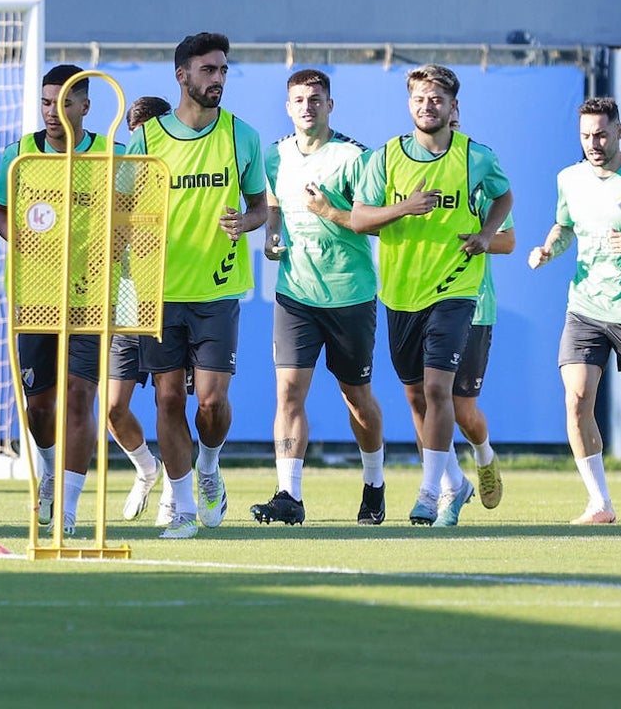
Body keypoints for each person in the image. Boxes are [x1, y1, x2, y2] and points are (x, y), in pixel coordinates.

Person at [350, 64, 512, 526]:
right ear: (409, 104)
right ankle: (454, 485)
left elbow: (504, 198)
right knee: (417, 397)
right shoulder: (383, 158)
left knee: (442, 391)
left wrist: (486, 234)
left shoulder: (474, 156)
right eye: (420, 98)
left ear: (452, 106)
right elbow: (360, 220)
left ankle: (427, 495)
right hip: (402, 293)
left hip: (458, 290)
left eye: (436, 99)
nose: (428, 106)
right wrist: (406, 207)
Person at [126, 32, 268, 539]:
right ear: (182, 76)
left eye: (224, 70)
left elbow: (260, 207)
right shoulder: (147, 139)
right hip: (159, 291)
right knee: (167, 399)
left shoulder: (241, 136)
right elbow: (122, 210)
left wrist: (246, 223)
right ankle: (182, 508)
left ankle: (208, 465)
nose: (218, 79)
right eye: (208, 70)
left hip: (217, 288)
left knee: (209, 401)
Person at [0, 64, 129, 536]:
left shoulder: (113, 155)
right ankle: (50, 470)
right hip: (34, 296)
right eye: (47, 102)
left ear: (86, 107)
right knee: (41, 407)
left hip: (91, 297)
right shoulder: (22, 153)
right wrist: (25, 243)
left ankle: (68, 510)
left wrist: (114, 248)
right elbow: (2, 213)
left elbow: (132, 220)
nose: (54, 111)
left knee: (80, 395)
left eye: (66, 101)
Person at [247, 69, 386, 526]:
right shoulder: (274, 156)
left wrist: (331, 211)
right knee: (287, 392)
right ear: (288, 107)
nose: (307, 106)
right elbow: (271, 204)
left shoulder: (354, 157)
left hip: (350, 293)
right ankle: (289, 493)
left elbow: (374, 221)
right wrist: (271, 237)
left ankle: (374, 483)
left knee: (356, 397)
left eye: (315, 99)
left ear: (330, 105)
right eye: (299, 100)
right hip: (295, 294)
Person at [528, 96, 621, 524]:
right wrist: (547, 249)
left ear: (619, 132)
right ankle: (600, 504)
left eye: (600, 134)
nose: (593, 143)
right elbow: (565, 225)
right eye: (585, 136)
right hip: (585, 307)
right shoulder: (569, 179)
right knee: (576, 400)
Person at [438, 102, 508, 523]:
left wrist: (479, 238)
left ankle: (484, 456)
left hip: (474, 306)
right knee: (428, 400)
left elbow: (510, 239)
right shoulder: (416, 169)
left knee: (462, 410)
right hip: (424, 299)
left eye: (455, 122)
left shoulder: (481, 175)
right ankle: (449, 488)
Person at [107, 95, 170, 523]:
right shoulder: (119, 181)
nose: (141, 146)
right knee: (113, 408)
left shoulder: (178, 179)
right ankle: (148, 470)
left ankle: (187, 485)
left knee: (175, 404)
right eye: (136, 137)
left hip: (173, 298)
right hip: (128, 300)